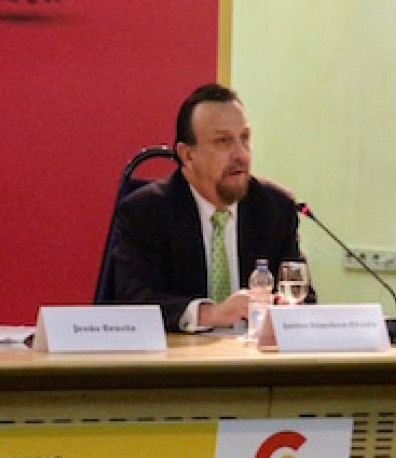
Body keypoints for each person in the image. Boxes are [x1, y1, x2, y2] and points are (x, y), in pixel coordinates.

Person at [108, 83, 312, 332]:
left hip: (255, 363)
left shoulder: (275, 207)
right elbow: (133, 300)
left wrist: (286, 312)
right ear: (187, 156)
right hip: (180, 365)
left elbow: (303, 298)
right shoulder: (147, 211)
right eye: (223, 141)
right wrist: (210, 313)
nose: (240, 154)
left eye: (245, 138)